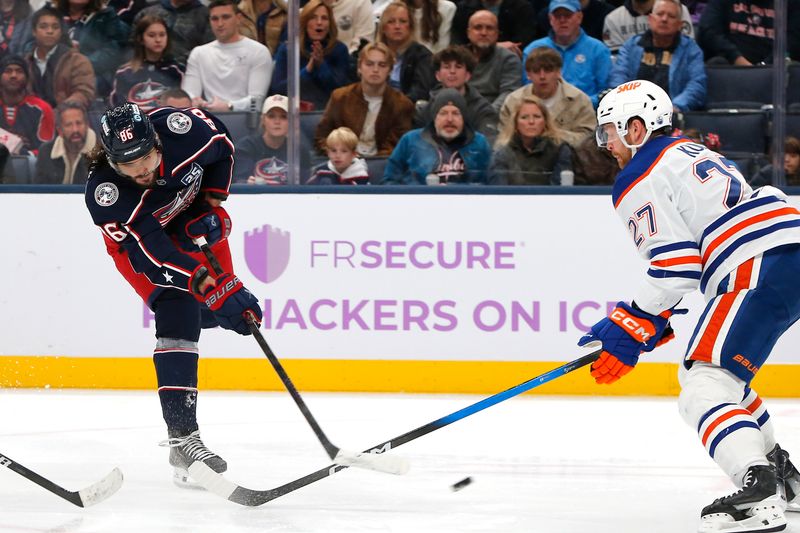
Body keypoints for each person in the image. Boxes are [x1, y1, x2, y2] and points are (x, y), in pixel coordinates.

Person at [580, 79, 800, 532]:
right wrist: (648, 318)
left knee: (703, 386)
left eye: (609, 133)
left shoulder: (638, 172)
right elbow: (693, 255)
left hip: (755, 264)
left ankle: (757, 490)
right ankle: (782, 476)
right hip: (783, 250)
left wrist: (630, 323)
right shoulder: (691, 152)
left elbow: (678, 267)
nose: (607, 146)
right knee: (721, 377)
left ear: (636, 128)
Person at [84, 102, 263, 487]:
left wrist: (211, 203)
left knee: (227, 312)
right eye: (129, 165)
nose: (142, 170)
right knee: (178, 307)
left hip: (188, 219)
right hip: (144, 248)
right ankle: (184, 440)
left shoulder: (185, 131)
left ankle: (209, 308)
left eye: (147, 157)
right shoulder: (107, 194)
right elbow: (154, 259)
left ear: (158, 142)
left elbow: (223, 147)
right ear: (112, 162)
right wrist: (209, 288)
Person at [314, 42, 414, 157]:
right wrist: (341, 155)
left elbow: (397, 147)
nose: (375, 70)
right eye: (369, 64)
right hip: (343, 162)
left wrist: (373, 164)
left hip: (382, 165)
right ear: (359, 67)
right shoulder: (340, 97)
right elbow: (322, 137)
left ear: (390, 70)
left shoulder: (402, 104)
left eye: (382, 65)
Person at [609, 0, 706, 112]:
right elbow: (618, 79)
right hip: (632, 113)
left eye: (671, 16)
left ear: (680, 25)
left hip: (672, 114)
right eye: (660, 14)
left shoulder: (691, 50)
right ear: (650, 19)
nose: (664, 19)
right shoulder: (631, 46)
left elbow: (696, 86)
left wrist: (674, 107)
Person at [383, 88, 491, 184]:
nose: (449, 119)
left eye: (455, 113)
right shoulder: (410, 140)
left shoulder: (479, 143)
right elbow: (389, 181)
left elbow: (492, 182)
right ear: (434, 118)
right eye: (443, 113)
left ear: (464, 118)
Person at [183, 0, 272, 114]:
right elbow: (189, 95)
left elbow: (256, 101)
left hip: (246, 122)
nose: (220, 24)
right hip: (208, 120)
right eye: (214, 19)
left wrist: (229, 106)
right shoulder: (199, 53)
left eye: (226, 17)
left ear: (238, 18)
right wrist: (196, 102)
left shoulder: (258, 51)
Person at [500, 46, 595, 147]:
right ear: (528, 74)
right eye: (536, 71)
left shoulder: (579, 99)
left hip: (569, 158)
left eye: (548, 70)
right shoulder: (513, 100)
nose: (542, 76)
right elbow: (503, 139)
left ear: (558, 72)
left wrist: (552, 135)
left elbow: (588, 139)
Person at [522, 0, 611, 107]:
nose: (562, 20)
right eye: (557, 16)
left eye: (568, 15)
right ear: (550, 19)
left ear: (579, 17)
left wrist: (579, 103)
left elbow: (606, 91)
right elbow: (526, 88)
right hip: (543, 112)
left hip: (586, 112)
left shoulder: (598, 49)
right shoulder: (533, 49)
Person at [269, 0, 351, 111]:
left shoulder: (339, 50)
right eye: (313, 17)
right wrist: (308, 69)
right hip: (292, 114)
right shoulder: (288, 49)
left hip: (328, 113)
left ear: (330, 24)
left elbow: (340, 90)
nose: (319, 22)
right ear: (305, 22)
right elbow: (278, 89)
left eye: (324, 18)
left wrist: (321, 65)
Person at [415, 44, 498, 140]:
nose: (452, 71)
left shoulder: (483, 110)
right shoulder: (425, 109)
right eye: (447, 67)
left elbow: (489, 143)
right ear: (438, 75)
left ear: (467, 75)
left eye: (458, 67)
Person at [51, 0, 130, 98]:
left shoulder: (106, 16)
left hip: (93, 75)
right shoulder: (49, 13)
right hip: (52, 72)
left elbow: (113, 51)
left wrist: (80, 65)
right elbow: (31, 45)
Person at [24, 5, 96, 110]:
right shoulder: (25, 63)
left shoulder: (77, 61)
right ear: (34, 31)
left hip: (67, 119)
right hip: (32, 120)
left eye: (55, 27)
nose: (50, 31)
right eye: (43, 26)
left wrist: (58, 114)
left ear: (61, 31)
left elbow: (83, 93)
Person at [490, 95, 573, 185]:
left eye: (537, 116)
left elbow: (561, 191)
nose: (531, 122)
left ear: (545, 122)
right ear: (515, 123)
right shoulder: (503, 152)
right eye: (524, 117)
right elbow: (499, 191)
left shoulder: (560, 149)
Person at [110, 14, 185, 110]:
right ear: (140, 39)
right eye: (151, 35)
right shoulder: (125, 72)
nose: (158, 40)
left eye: (162, 35)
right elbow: (116, 106)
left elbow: (183, 105)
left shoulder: (176, 71)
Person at [233, 93, 310, 184]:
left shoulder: (298, 150)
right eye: (271, 116)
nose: (277, 122)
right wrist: (246, 183)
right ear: (263, 120)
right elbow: (239, 182)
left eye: (283, 117)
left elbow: (305, 185)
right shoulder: (246, 147)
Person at [698, 0, 800, 65]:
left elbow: (792, 41)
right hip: (730, 66)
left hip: (774, 70)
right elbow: (709, 31)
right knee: (716, 63)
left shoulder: (791, 4)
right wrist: (736, 58)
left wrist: (764, 65)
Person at [375, 1, 435, 104]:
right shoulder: (373, 54)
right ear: (383, 28)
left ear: (410, 27)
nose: (397, 26)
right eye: (391, 22)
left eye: (403, 21)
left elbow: (420, 92)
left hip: (406, 110)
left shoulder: (422, 55)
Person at [464, 10, 522, 112]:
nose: (484, 33)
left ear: (497, 34)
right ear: (468, 33)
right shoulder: (456, 57)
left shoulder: (509, 59)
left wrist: (486, 115)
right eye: (478, 27)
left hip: (495, 117)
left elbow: (509, 94)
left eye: (489, 28)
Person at [0, 54, 54, 155]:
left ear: (27, 78)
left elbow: (48, 151)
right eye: (8, 71)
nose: (13, 75)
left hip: (31, 167)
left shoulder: (43, 109)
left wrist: (21, 153)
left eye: (19, 71)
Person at [33, 100, 94, 184]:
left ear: (87, 125)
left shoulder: (103, 154)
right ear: (60, 130)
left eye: (79, 123)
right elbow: (39, 192)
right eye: (68, 125)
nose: (75, 129)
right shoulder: (46, 151)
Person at [136, 0, 214, 65]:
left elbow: (208, 49)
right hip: (146, 71)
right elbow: (133, 45)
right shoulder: (147, 13)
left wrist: (175, 65)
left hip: (188, 71)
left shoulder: (208, 16)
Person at [602, 0, 694, 55]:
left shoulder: (676, 10)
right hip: (633, 82)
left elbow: (688, 52)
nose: (665, 19)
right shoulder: (613, 18)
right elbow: (618, 63)